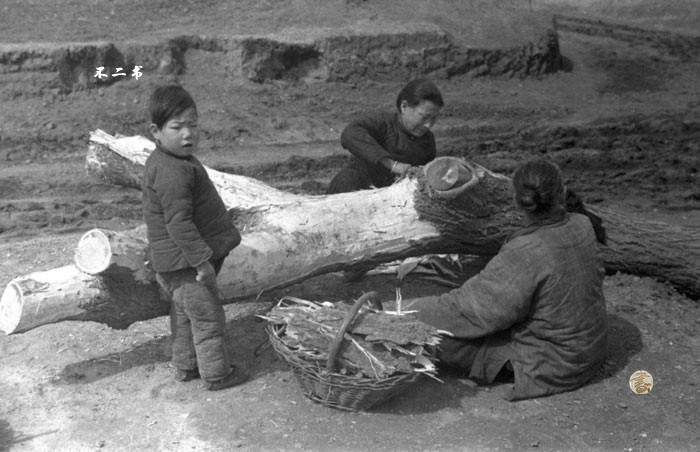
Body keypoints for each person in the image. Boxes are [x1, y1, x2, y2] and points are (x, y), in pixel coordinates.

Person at [406, 158, 608, 401]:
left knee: (437, 336)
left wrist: (410, 312)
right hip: (589, 347)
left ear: (516, 202)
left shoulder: (528, 249)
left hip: (557, 362)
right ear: (561, 193)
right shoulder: (583, 223)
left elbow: (474, 310)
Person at [142, 84, 248, 391]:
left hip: (175, 264)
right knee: (208, 318)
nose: (188, 134)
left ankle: (185, 366)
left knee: (187, 316)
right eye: (177, 127)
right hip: (186, 265)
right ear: (156, 131)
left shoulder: (172, 160)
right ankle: (217, 374)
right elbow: (179, 224)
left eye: (193, 125)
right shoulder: (172, 171)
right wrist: (202, 262)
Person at [326, 78, 444, 194]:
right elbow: (350, 134)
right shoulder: (382, 123)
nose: (428, 125)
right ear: (404, 107)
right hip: (359, 188)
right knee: (347, 178)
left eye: (434, 118)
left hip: (393, 199)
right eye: (423, 117)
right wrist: (393, 165)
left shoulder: (427, 141)